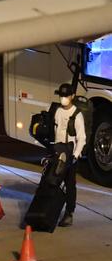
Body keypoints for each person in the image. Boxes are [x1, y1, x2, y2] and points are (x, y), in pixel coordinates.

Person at [54, 83, 86, 227]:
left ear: (72, 96)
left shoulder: (77, 114)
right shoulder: (58, 111)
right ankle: (52, 209)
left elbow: (82, 138)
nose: (63, 99)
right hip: (58, 151)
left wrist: (75, 156)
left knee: (70, 185)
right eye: (61, 96)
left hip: (70, 153)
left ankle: (69, 213)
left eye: (66, 96)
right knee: (53, 182)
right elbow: (56, 130)